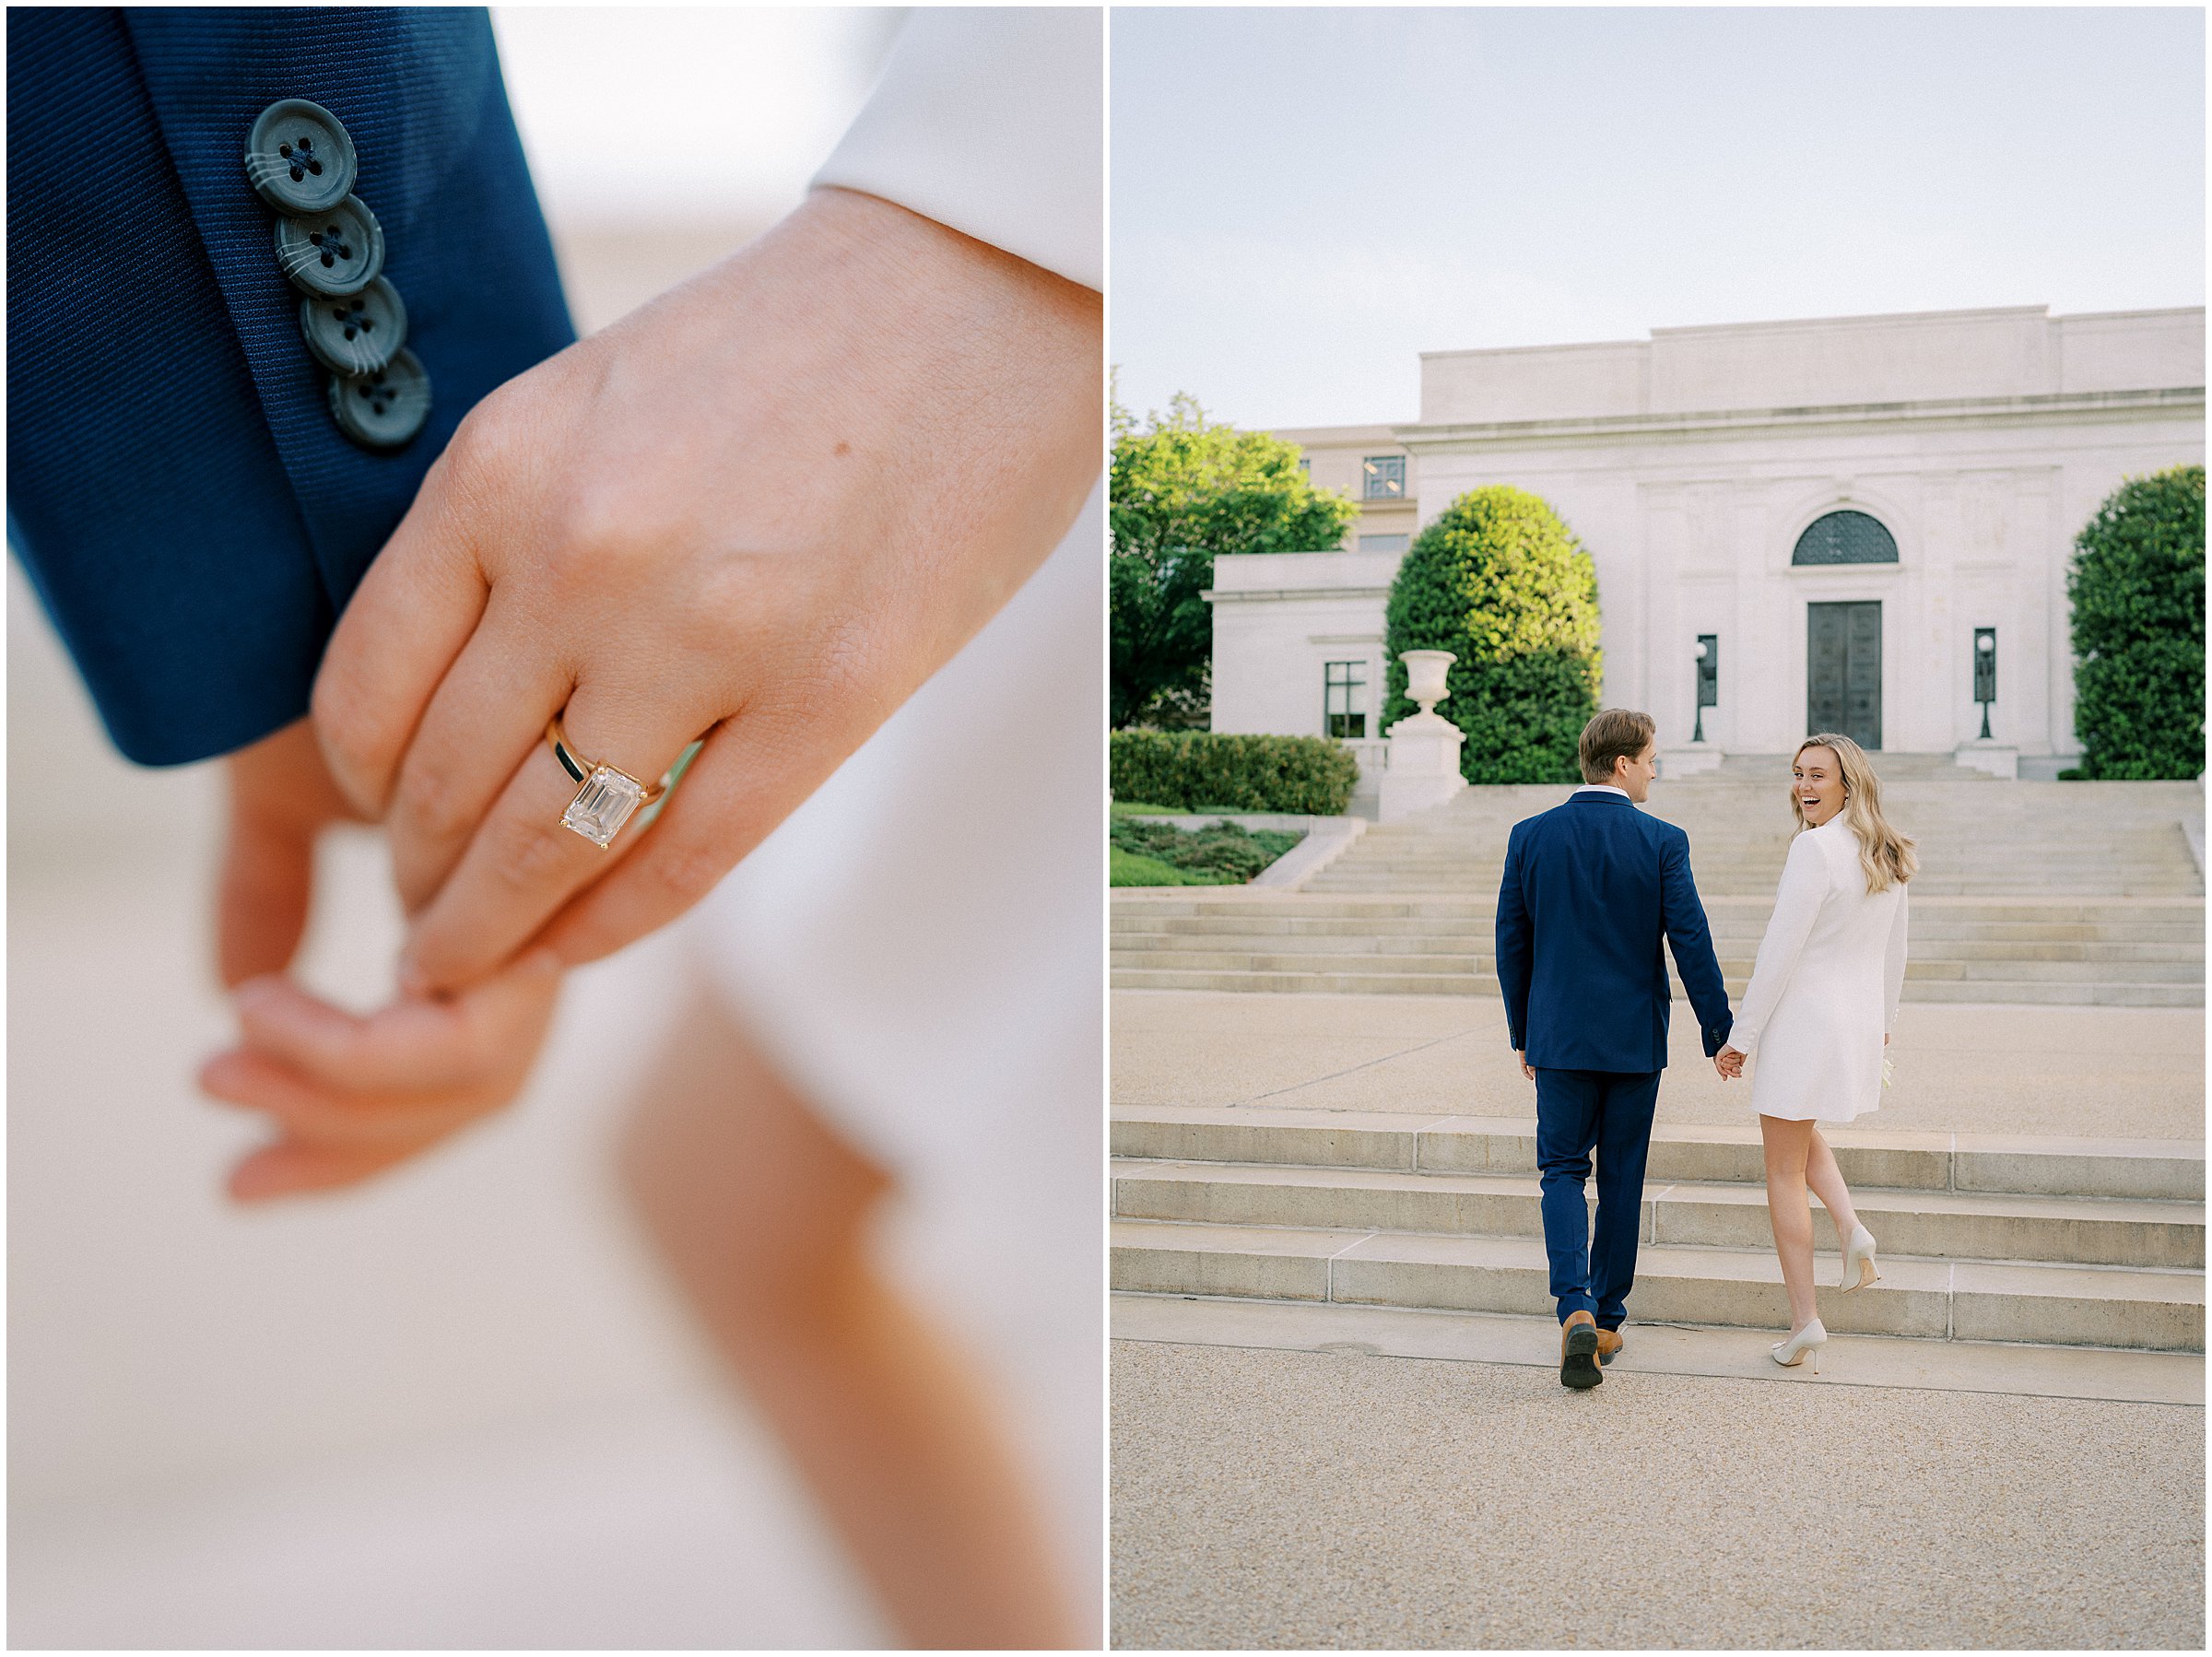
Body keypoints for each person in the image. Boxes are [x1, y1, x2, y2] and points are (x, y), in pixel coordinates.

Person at [13, 6, 1104, 1645]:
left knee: (745, 1196)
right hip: (979, 337)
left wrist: (990, 247)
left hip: (1018, 348)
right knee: (729, 1195)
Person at [1495, 709, 1736, 1390]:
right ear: (1624, 764)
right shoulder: (1663, 841)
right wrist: (1719, 1033)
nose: (1656, 769)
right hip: (1633, 1041)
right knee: (1623, 1176)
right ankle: (1605, 1318)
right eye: (1652, 759)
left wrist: (1524, 1033)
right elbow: (1692, 941)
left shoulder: (1530, 836)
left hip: (1560, 1038)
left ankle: (1571, 1304)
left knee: (1562, 1170)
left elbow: (1511, 944)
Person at [1715, 734, 1914, 1374]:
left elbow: (1781, 951)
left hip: (1803, 1022)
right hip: (1851, 1024)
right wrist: (1881, 1025)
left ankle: (1804, 1322)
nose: (1804, 786)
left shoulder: (1815, 848)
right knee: (1799, 1137)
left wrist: (1740, 1037)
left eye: (1818, 776)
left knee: (1780, 1168)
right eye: (1799, 774)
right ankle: (1852, 1226)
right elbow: (1896, 955)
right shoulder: (1884, 850)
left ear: (1847, 785)